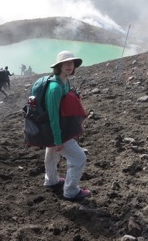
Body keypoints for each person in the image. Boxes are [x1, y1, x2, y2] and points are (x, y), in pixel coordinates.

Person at [43, 51, 90, 201]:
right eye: (66, 63)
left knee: (51, 154)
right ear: (59, 66)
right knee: (79, 158)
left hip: (53, 129)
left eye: (72, 63)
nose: (70, 66)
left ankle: (51, 180)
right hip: (55, 129)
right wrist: (57, 139)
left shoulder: (64, 81)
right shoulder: (55, 88)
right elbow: (53, 117)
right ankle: (70, 191)